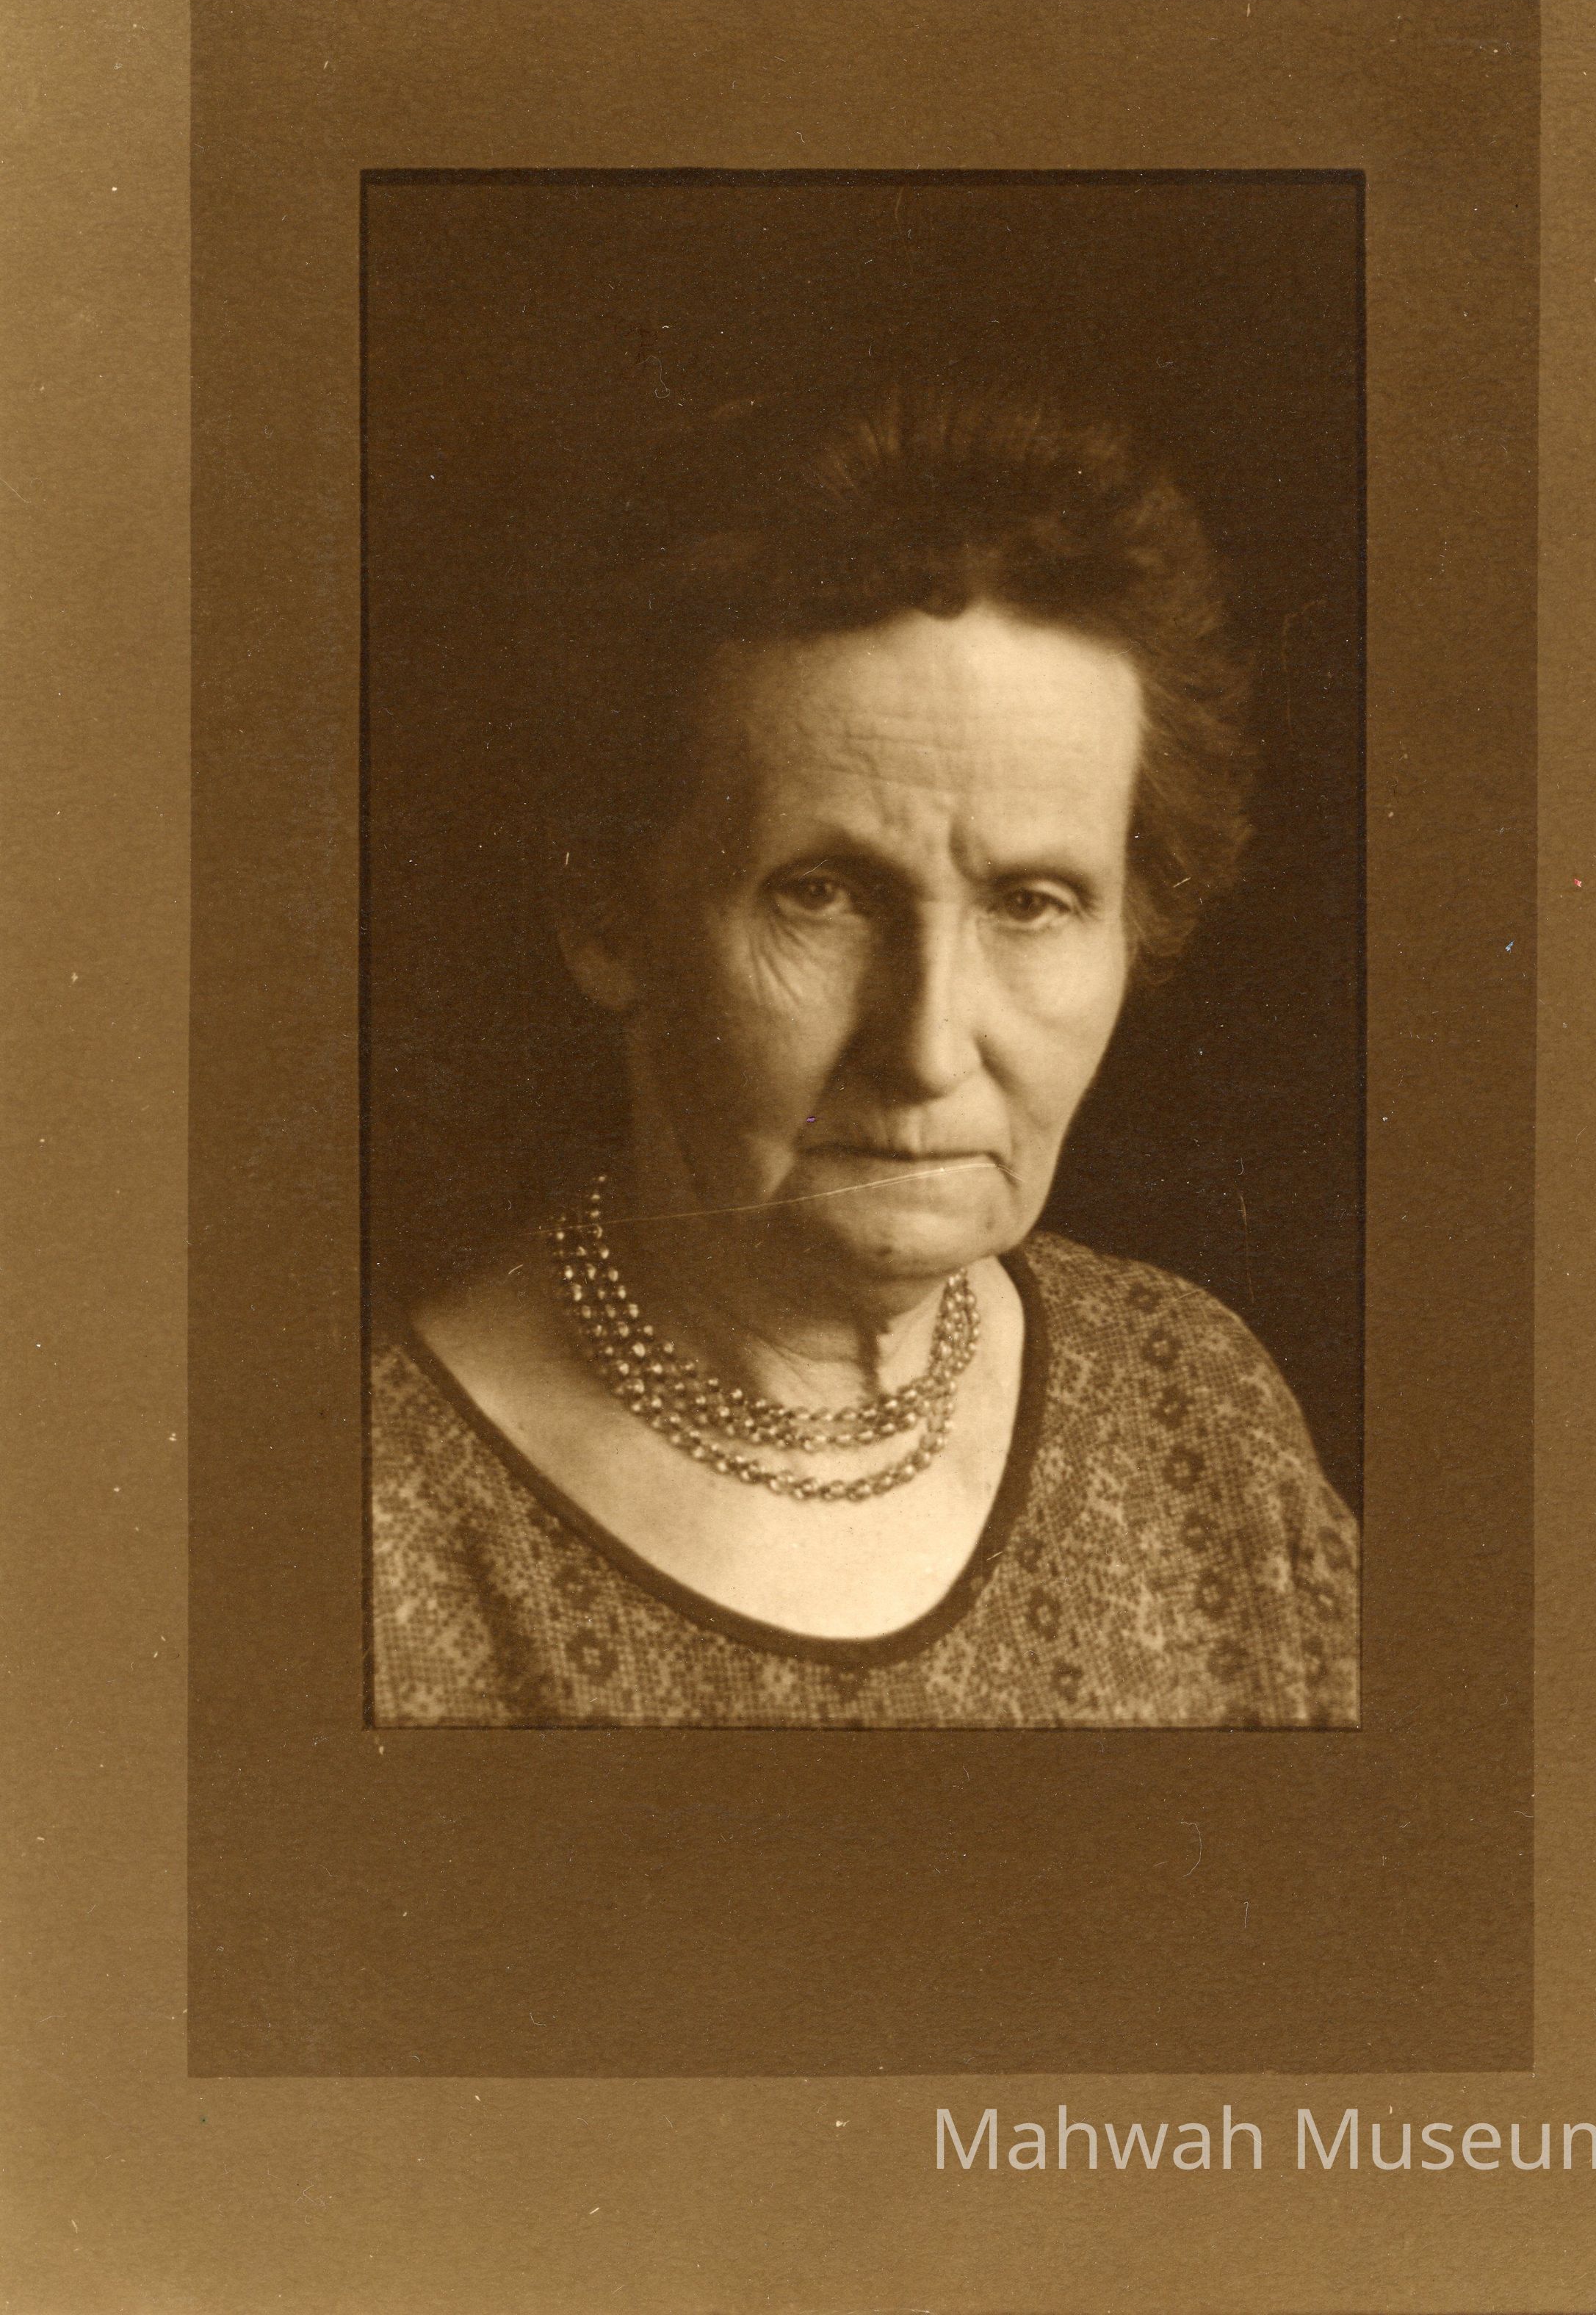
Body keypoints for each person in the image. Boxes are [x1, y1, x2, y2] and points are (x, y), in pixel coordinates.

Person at [369, 377, 1359, 1727]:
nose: (928, 1047)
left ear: (1137, 928)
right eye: (823, 894)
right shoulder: (385, 1543)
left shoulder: (1194, 1397)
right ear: (609, 920)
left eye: (1032, 903)